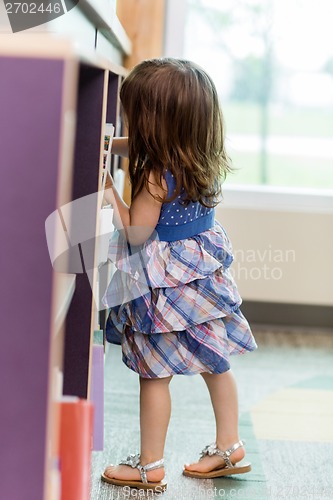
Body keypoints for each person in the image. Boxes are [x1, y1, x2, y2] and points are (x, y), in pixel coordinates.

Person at [100, 58, 257, 493]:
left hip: (167, 282)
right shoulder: (202, 156)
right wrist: (115, 148)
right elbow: (153, 149)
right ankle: (230, 446)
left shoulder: (153, 176)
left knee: (154, 374)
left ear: (156, 122)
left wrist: (110, 191)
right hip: (203, 277)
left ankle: (149, 466)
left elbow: (136, 230)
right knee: (215, 361)